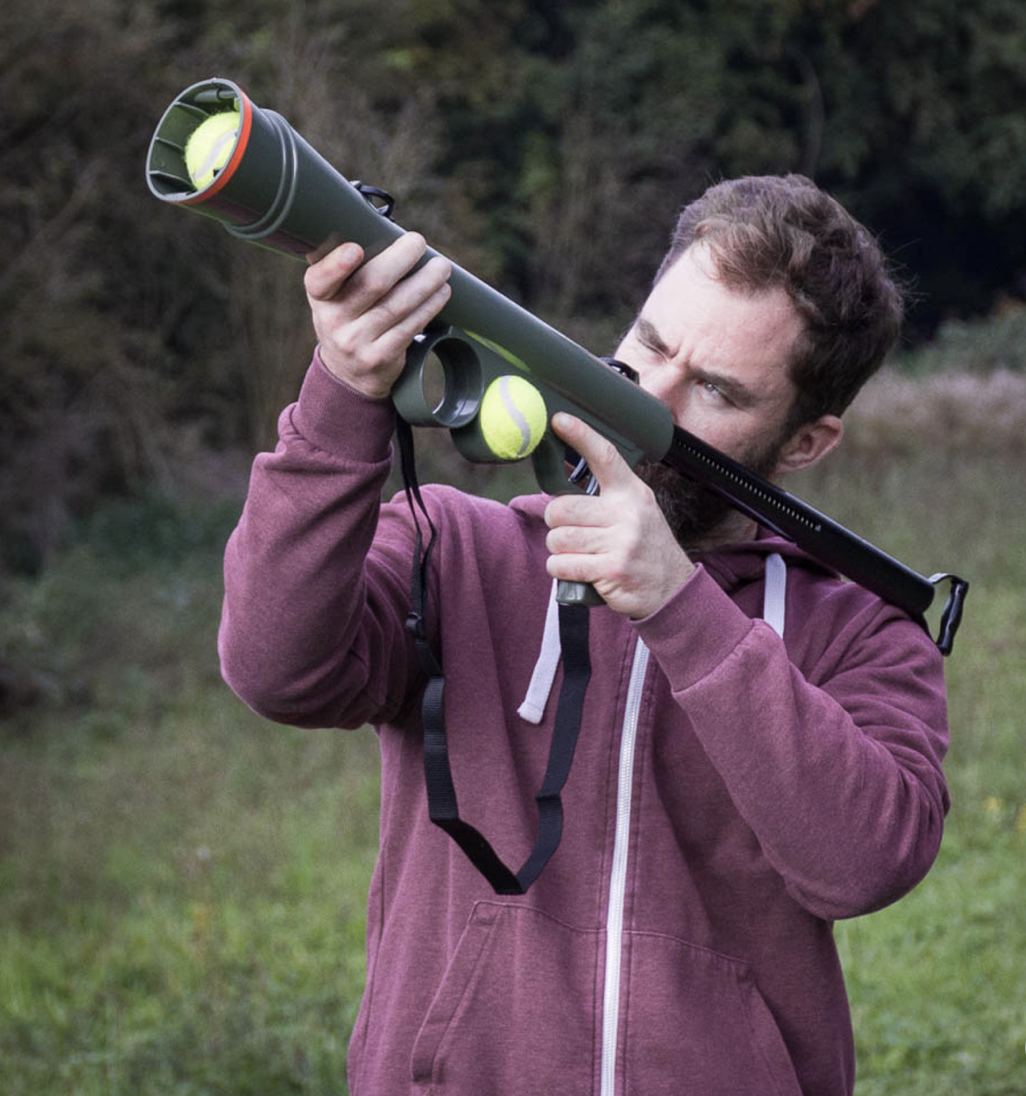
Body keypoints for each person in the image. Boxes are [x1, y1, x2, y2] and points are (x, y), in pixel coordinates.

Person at [218, 174, 949, 1096]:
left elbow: (864, 864)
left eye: (716, 389)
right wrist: (342, 394)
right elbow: (276, 670)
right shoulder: (459, 548)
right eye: (647, 346)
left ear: (805, 442)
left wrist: (682, 609)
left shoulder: (859, 626)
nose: (654, 402)